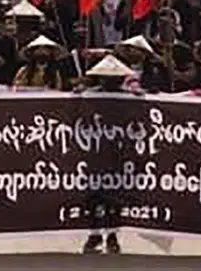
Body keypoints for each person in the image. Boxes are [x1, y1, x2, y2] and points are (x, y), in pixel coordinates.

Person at [77, 54, 134, 255]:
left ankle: (112, 236)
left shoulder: (129, 98)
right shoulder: (89, 95)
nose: (110, 81)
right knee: (93, 196)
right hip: (94, 152)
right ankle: (94, 235)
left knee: (115, 198)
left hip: (118, 152)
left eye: (114, 78)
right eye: (106, 77)